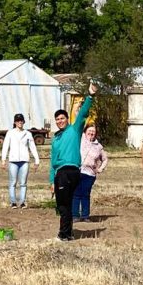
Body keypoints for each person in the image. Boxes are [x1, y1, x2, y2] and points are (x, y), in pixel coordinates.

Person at [49, 81, 97, 242]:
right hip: (59, 172)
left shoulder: (74, 129)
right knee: (65, 205)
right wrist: (51, 180)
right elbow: (52, 161)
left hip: (71, 171)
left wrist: (90, 95)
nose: (60, 121)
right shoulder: (56, 138)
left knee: (64, 205)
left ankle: (63, 234)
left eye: (62, 118)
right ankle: (68, 233)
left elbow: (83, 113)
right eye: (57, 119)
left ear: (67, 119)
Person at [1, 113, 41, 209]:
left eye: (21, 120)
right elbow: (5, 146)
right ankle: (13, 202)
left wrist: (37, 160)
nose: (20, 122)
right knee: (12, 182)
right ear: (15, 122)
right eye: (18, 121)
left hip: (24, 161)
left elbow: (32, 147)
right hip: (13, 160)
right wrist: (3, 160)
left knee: (23, 183)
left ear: (23, 122)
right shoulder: (10, 133)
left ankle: (22, 202)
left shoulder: (28, 134)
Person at [72, 124, 108, 222]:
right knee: (76, 193)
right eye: (89, 131)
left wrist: (100, 169)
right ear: (85, 132)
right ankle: (75, 215)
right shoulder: (80, 140)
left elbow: (105, 159)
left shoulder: (98, 146)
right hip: (77, 170)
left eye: (93, 131)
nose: (91, 133)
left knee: (85, 194)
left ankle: (85, 215)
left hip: (90, 174)